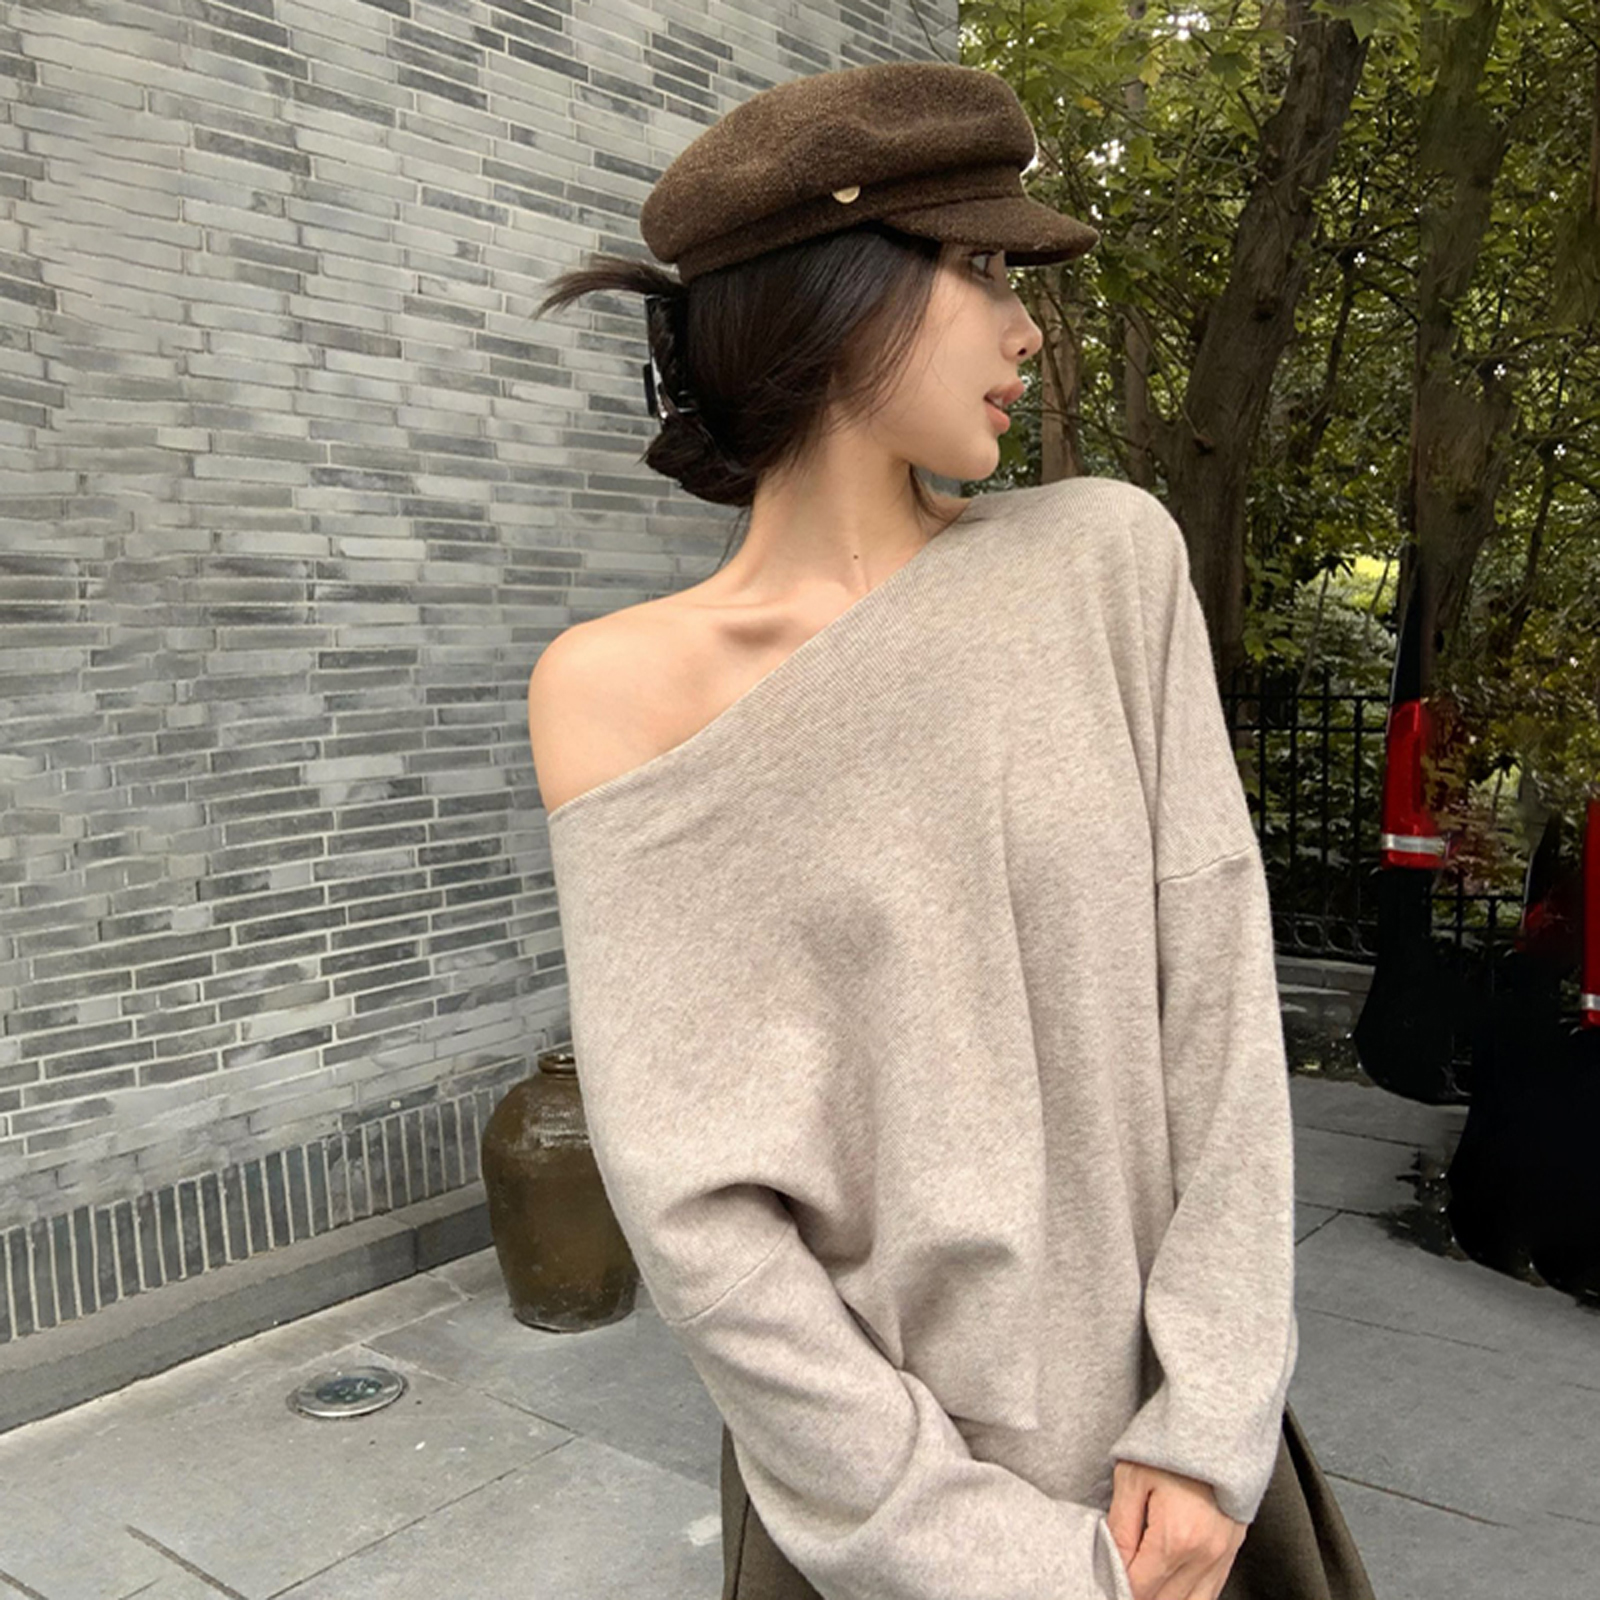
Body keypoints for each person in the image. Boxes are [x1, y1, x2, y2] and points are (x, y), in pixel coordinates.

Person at [526, 60, 1376, 1600]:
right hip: (871, 1520)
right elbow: (696, 1211)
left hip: (1174, 1483)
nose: (1024, 323)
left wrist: (1210, 1420)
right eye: (980, 267)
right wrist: (990, 1556)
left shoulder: (1104, 561)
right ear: (836, 289)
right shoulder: (616, 692)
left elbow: (1218, 1011)